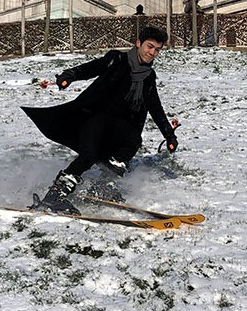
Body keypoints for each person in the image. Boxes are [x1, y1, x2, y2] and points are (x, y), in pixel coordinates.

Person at [22, 26, 178, 213]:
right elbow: (91, 68)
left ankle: (103, 187)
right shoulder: (117, 60)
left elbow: (155, 107)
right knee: (88, 156)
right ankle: (54, 197)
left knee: (133, 139)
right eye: (149, 46)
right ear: (138, 44)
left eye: (157, 49)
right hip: (93, 118)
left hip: (117, 126)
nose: (152, 52)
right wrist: (70, 75)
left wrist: (169, 136)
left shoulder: (148, 77)